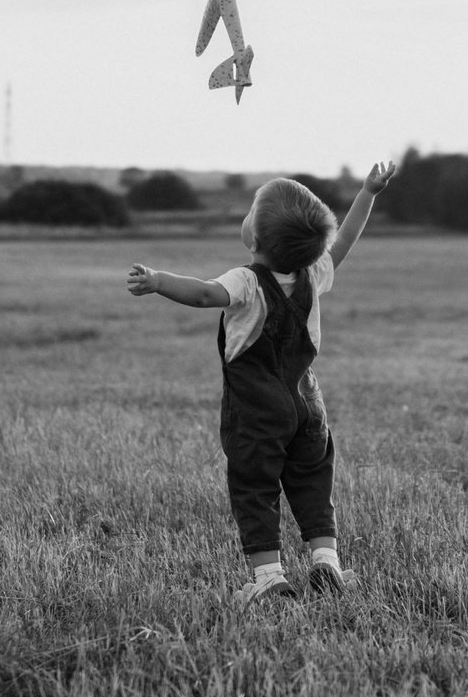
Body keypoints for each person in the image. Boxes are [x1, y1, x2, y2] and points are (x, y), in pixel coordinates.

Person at [127, 163, 396, 605]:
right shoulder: (314, 274)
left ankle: (268, 575)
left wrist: (158, 281)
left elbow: (202, 294)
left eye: (253, 210)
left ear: (254, 238)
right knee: (312, 479)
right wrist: (368, 192)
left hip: (256, 411)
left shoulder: (246, 281)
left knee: (255, 487)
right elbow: (345, 239)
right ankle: (325, 560)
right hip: (307, 405)